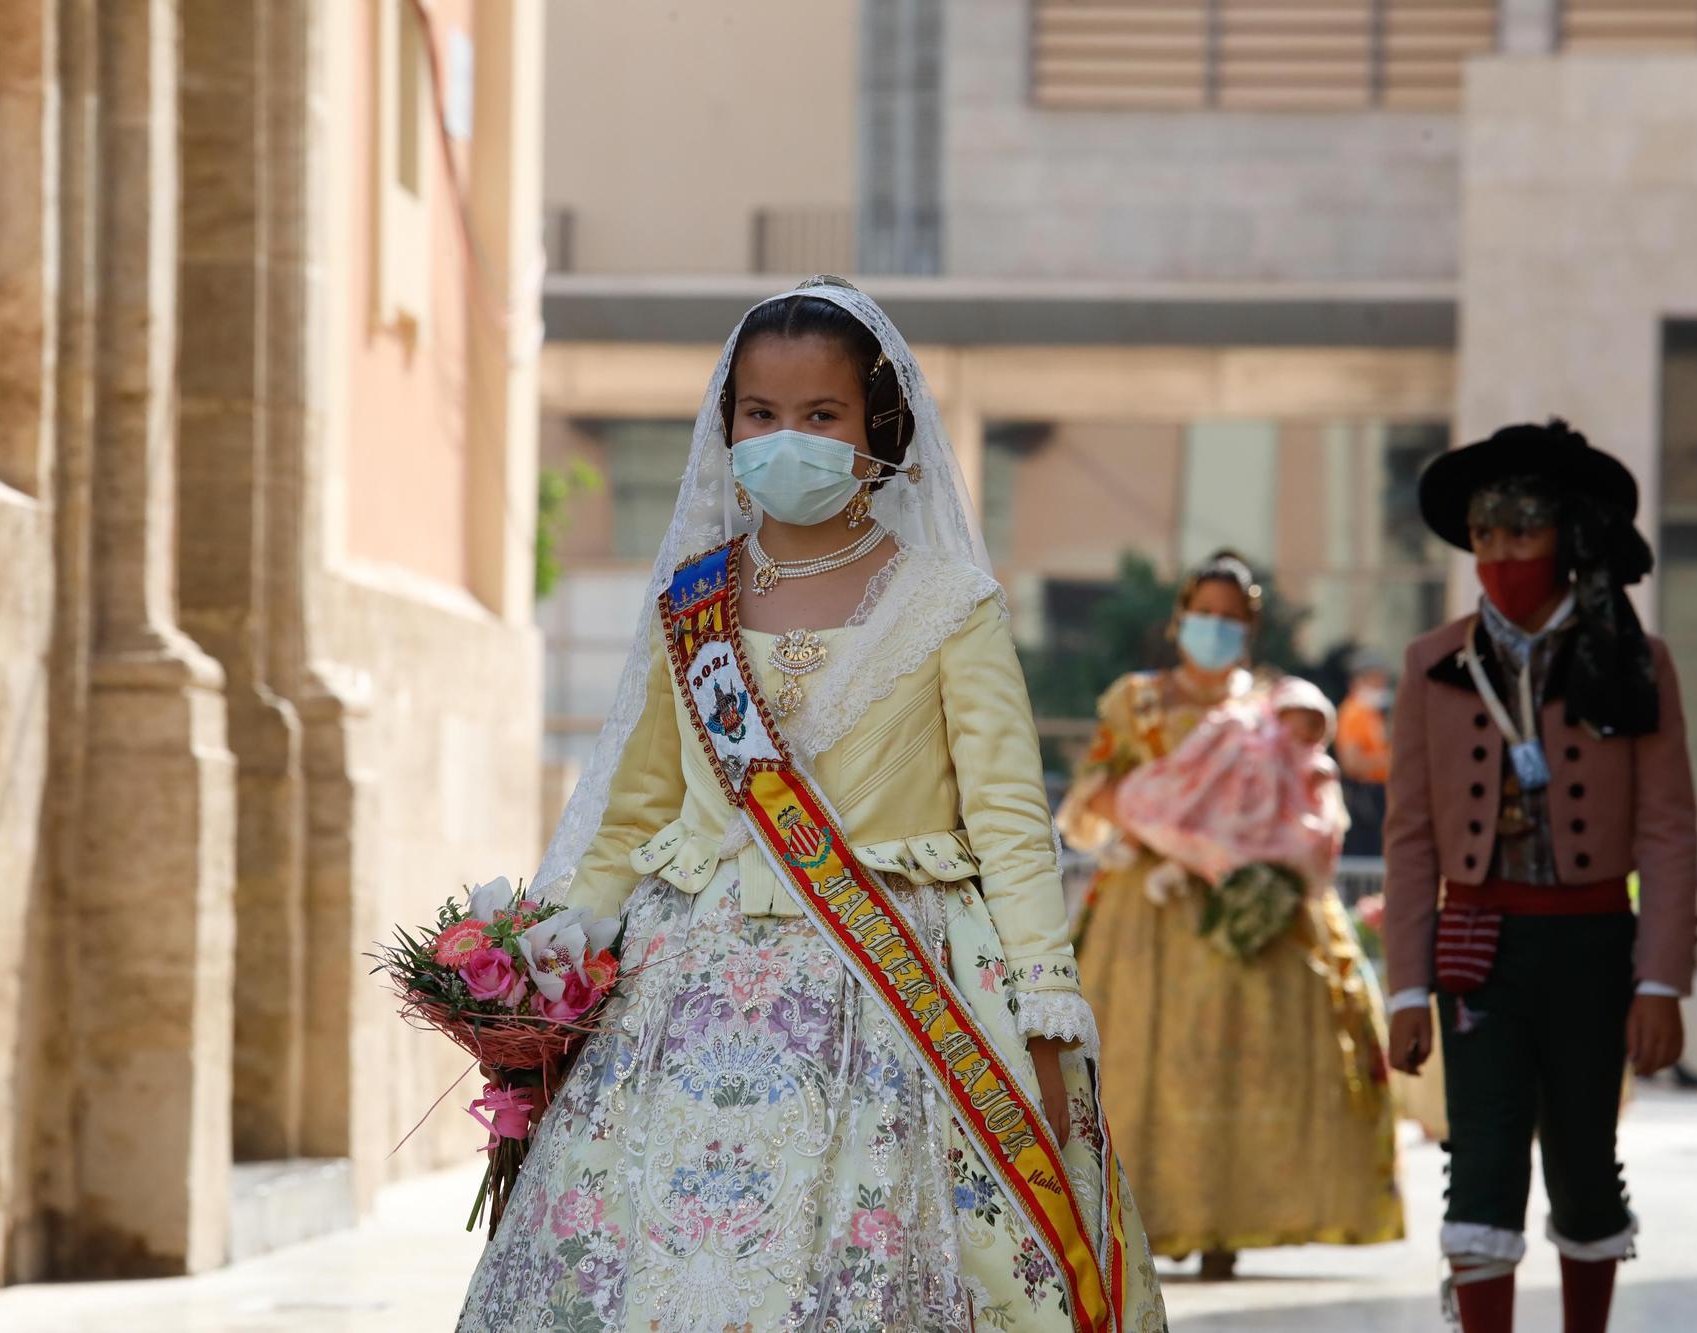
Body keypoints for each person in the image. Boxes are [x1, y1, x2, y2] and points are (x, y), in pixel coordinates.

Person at [456, 279, 1165, 1332]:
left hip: (899, 987)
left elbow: (1009, 820)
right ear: (727, 425)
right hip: (683, 995)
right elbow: (633, 806)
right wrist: (554, 950)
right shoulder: (688, 605)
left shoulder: (948, 605)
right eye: (760, 414)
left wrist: (1045, 997)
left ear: (877, 431)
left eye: (820, 416)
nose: (785, 438)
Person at [1383, 420, 1697, 1333]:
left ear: (1568, 537)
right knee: (1478, 1163)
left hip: (1595, 946)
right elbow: (1409, 840)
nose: (1502, 555)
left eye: (1523, 533)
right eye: (1485, 536)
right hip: (1477, 948)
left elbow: (1668, 831)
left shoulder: (1634, 661)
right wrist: (1406, 986)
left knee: (1586, 1169)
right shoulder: (1432, 663)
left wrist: (1662, 979)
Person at [1061, 551, 1403, 1281]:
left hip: (1258, 905)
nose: (1214, 628)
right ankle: (1139, 1217)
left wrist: (1255, 852)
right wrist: (1154, 820)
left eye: (1230, 617)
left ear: (1249, 627)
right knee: (1144, 1063)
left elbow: (1312, 799)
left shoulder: (1281, 707)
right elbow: (1092, 794)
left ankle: (1236, 1220)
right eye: (1203, 613)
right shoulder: (1136, 701)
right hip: (1147, 911)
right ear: (1180, 616)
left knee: (1259, 1058)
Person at [1338, 654, 1394, 858]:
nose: (1382, 685)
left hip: (1379, 794)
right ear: (1358, 681)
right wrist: (1393, 759)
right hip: (1364, 798)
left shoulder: (1372, 713)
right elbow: (1351, 763)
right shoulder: (1354, 712)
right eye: (1376, 679)